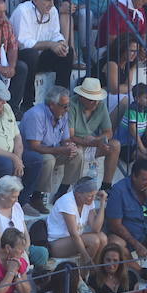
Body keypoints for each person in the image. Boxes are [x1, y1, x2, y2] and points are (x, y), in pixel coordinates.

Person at [19, 87, 84, 215]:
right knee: (48, 159)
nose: (67, 109)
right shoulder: (36, 114)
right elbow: (34, 146)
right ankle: (37, 196)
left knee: (78, 154)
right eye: (64, 106)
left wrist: (69, 145)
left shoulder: (62, 114)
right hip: (31, 154)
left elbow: (65, 139)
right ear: (52, 105)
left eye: (68, 105)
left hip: (52, 149)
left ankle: (62, 193)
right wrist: (61, 149)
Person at [45, 178, 106, 268]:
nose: (93, 199)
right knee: (94, 241)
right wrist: (86, 257)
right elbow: (73, 234)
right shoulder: (67, 202)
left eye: (94, 195)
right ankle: (82, 274)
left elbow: (96, 228)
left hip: (72, 241)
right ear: (78, 194)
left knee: (103, 238)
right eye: (90, 196)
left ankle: (94, 274)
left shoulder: (88, 201)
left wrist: (102, 203)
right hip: (56, 244)